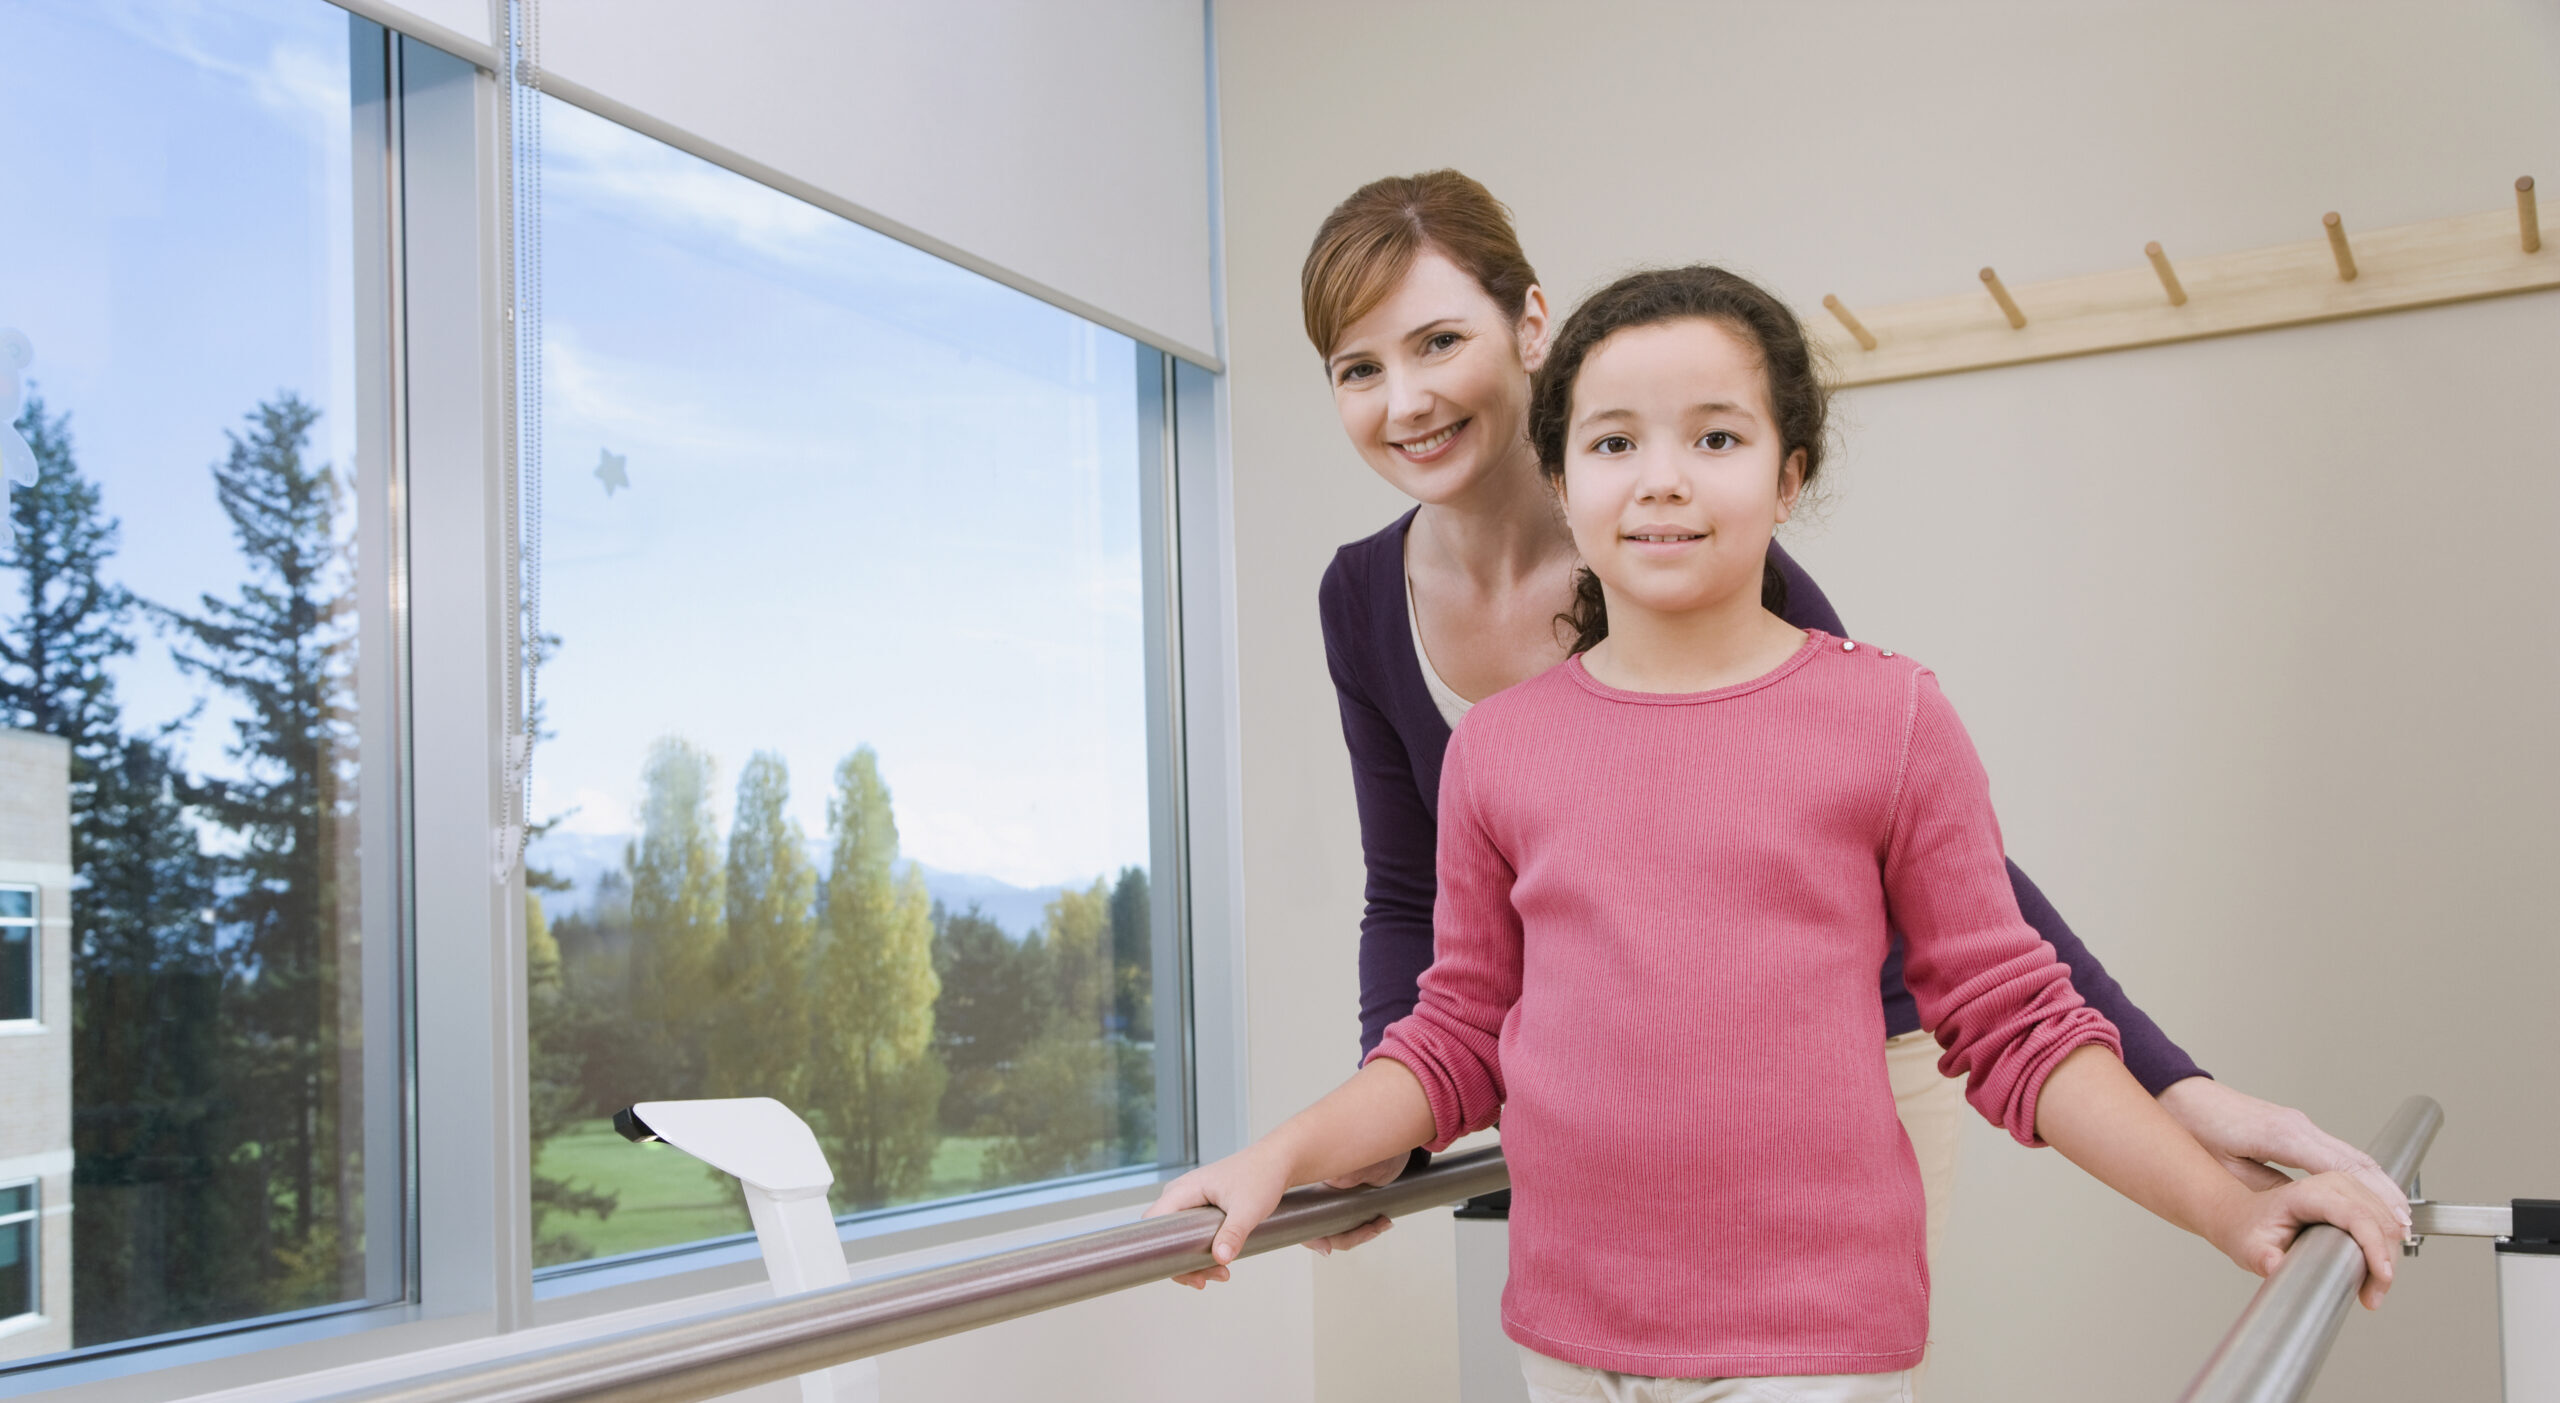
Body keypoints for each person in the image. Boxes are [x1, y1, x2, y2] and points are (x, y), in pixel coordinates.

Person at [1145, 265, 2405, 1401]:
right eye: (1613, 441)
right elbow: (1455, 1031)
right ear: (1564, 473)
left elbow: (2017, 1016)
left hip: (1810, 1346)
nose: (1662, 477)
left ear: (1788, 473)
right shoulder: (1499, 749)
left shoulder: (1888, 714)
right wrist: (1281, 1158)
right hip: (1568, 1332)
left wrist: (2224, 1209)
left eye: (1716, 436)